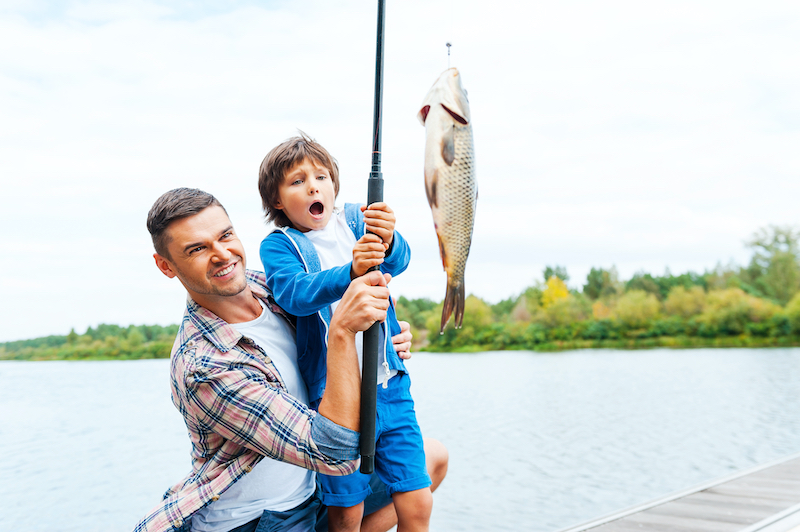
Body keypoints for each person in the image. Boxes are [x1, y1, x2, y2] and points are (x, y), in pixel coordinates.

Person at [134, 188, 447, 532]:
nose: (222, 254)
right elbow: (331, 452)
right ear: (166, 265)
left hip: (312, 490)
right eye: (197, 249)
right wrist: (343, 332)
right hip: (262, 519)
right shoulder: (204, 365)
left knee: (431, 459)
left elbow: (331, 298)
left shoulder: (269, 288)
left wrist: (381, 339)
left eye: (225, 235)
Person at [257, 135, 432, 532]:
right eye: (297, 181)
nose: (313, 186)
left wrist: (389, 237)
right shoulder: (280, 244)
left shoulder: (356, 219)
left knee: (417, 498)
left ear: (335, 185)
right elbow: (295, 293)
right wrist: (350, 272)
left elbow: (399, 261)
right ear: (278, 201)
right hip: (334, 398)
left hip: (390, 385)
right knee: (346, 510)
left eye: (321, 176)